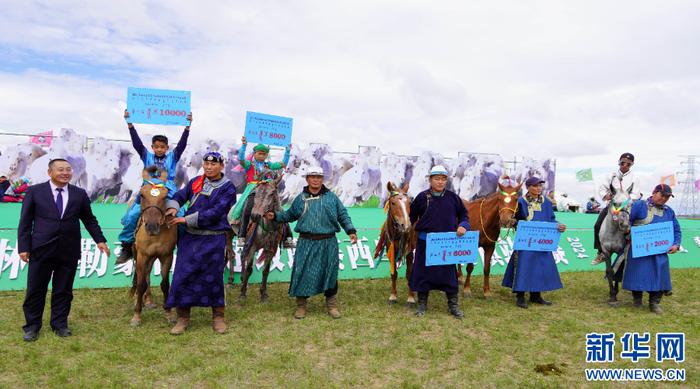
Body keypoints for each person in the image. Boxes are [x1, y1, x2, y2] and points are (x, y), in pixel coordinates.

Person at [17, 159, 110, 342]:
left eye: (68, 170)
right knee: (36, 289)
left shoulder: (79, 194)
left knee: (64, 290)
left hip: (69, 249)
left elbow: (89, 219)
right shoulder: (35, 192)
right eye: (60, 170)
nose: (65, 173)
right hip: (41, 249)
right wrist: (23, 247)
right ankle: (32, 326)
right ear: (49, 172)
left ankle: (59, 324)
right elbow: (25, 222)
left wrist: (100, 240)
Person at [265, 166, 357, 319]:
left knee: (330, 272)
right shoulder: (300, 198)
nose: (315, 180)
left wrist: (351, 230)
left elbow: (342, 214)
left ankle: (331, 304)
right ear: (307, 179)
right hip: (306, 242)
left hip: (328, 242)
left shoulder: (332, 198)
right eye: (312, 177)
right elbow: (290, 215)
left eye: (319, 177)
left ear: (323, 179)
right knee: (303, 272)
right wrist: (274, 216)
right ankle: (301, 305)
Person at [164, 151, 236, 335]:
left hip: (214, 238)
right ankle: (183, 318)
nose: (209, 167)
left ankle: (218, 317)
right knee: (183, 275)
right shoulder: (196, 181)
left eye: (213, 164)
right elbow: (181, 195)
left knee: (213, 277)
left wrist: (185, 220)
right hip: (190, 238)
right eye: (206, 164)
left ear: (221, 166)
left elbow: (217, 211)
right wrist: (173, 208)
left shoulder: (228, 187)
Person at [115, 109, 192, 264]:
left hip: (167, 190)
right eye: (156, 147)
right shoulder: (146, 155)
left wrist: (187, 127)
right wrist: (130, 124)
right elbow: (136, 143)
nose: (159, 149)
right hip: (147, 190)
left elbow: (182, 144)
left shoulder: (173, 157)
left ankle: (184, 246)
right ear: (152, 147)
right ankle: (126, 245)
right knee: (132, 215)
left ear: (167, 148)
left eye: (162, 147)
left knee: (182, 213)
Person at [408, 165, 470, 319]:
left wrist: (463, 225)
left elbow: (464, 215)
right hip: (426, 242)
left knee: (449, 274)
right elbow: (411, 218)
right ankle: (422, 304)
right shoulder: (422, 197)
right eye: (437, 179)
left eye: (443, 179)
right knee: (423, 273)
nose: (440, 182)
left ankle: (453, 306)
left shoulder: (453, 198)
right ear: (430, 180)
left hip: (447, 244)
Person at [502, 177, 567, 309]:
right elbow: (514, 218)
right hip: (526, 240)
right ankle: (520, 295)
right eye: (535, 186)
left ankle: (536, 295)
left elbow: (551, 219)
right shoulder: (520, 202)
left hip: (542, 240)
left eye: (540, 186)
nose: (538, 188)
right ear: (528, 187)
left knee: (539, 266)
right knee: (523, 265)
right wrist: (513, 222)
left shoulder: (546, 203)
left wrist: (558, 225)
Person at [623, 184, 681, 314]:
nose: (664, 199)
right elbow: (627, 222)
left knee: (659, 275)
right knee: (637, 274)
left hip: (660, 251)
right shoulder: (639, 205)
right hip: (639, 249)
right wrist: (628, 234)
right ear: (654, 192)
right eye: (662, 195)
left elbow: (676, 229)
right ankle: (637, 299)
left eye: (667, 197)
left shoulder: (669, 211)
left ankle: (654, 302)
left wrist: (676, 244)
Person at [231, 136, 292, 247]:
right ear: (254, 154)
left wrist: (287, 152)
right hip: (253, 190)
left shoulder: (268, 165)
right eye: (259, 153)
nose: (262, 156)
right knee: (247, 208)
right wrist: (244, 145)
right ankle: (241, 236)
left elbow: (283, 164)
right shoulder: (249, 164)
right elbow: (240, 159)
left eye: (264, 154)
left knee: (280, 210)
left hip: (266, 191)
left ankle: (288, 237)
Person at [591, 152, 642, 265]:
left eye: (628, 164)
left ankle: (635, 251)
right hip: (612, 206)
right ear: (619, 162)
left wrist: (625, 200)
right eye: (623, 162)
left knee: (634, 226)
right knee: (597, 225)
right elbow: (602, 189)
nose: (625, 165)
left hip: (626, 207)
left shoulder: (635, 177)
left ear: (631, 165)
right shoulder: (611, 175)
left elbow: (636, 194)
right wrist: (606, 196)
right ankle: (601, 252)